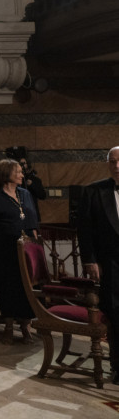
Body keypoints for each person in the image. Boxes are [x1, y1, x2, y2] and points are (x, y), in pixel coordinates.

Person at [0, 158, 39, 344]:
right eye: (18, 171)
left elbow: (33, 224)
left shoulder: (25, 194)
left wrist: (36, 248)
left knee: (27, 289)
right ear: (6, 173)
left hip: (27, 252)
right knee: (8, 288)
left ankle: (26, 325)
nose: (22, 174)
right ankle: (8, 326)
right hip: (5, 251)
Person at [78, 146, 119, 383]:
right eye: (112, 162)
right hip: (109, 263)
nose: (116, 166)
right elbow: (85, 230)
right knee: (114, 314)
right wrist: (89, 259)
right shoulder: (93, 191)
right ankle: (117, 365)